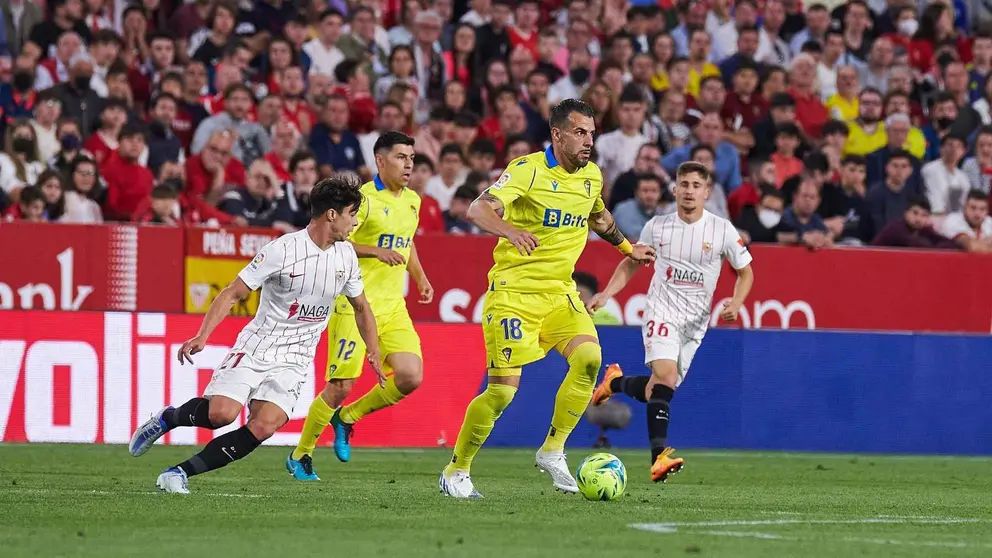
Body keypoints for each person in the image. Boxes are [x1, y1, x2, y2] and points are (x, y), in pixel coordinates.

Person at [438, 99, 655, 498]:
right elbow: (477, 209)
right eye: (579, 132)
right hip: (514, 294)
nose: (588, 140)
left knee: (590, 360)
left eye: (591, 132)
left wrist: (628, 248)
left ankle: (552, 450)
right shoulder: (527, 170)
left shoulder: (591, 176)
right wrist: (509, 230)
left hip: (559, 294)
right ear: (557, 134)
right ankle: (456, 470)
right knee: (502, 391)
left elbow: (599, 217)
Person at [128, 173, 383, 494]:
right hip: (258, 347)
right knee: (221, 414)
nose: (355, 222)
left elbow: (361, 307)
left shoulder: (345, 255)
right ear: (332, 214)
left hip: (295, 361)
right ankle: (168, 419)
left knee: (264, 426)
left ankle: (177, 473)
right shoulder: (283, 250)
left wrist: (372, 349)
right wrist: (203, 335)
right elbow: (233, 292)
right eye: (352, 214)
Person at [586, 161, 754, 482]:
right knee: (665, 375)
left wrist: (736, 301)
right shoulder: (657, 228)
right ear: (675, 189)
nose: (689, 191)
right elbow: (631, 263)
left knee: (658, 390)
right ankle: (658, 458)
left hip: (695, 323)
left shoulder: (723, 230)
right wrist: (606, 293)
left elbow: (745, 271)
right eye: (684, 184)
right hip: (662, 311)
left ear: (707, 192)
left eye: (696, 186)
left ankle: (615, 383)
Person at [288, 131, 433, 480]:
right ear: (380, 162)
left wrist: (420, 276)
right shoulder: (363, 201)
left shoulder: (413, 201)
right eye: (401, 157)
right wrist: (375, 251)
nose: (409, 163)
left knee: (411, 376)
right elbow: (336, 241)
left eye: (411, 157)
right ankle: (300, 454)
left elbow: (406, 244)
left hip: (393, 305)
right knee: (340, 386)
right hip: (354, 304)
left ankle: (348, 417)